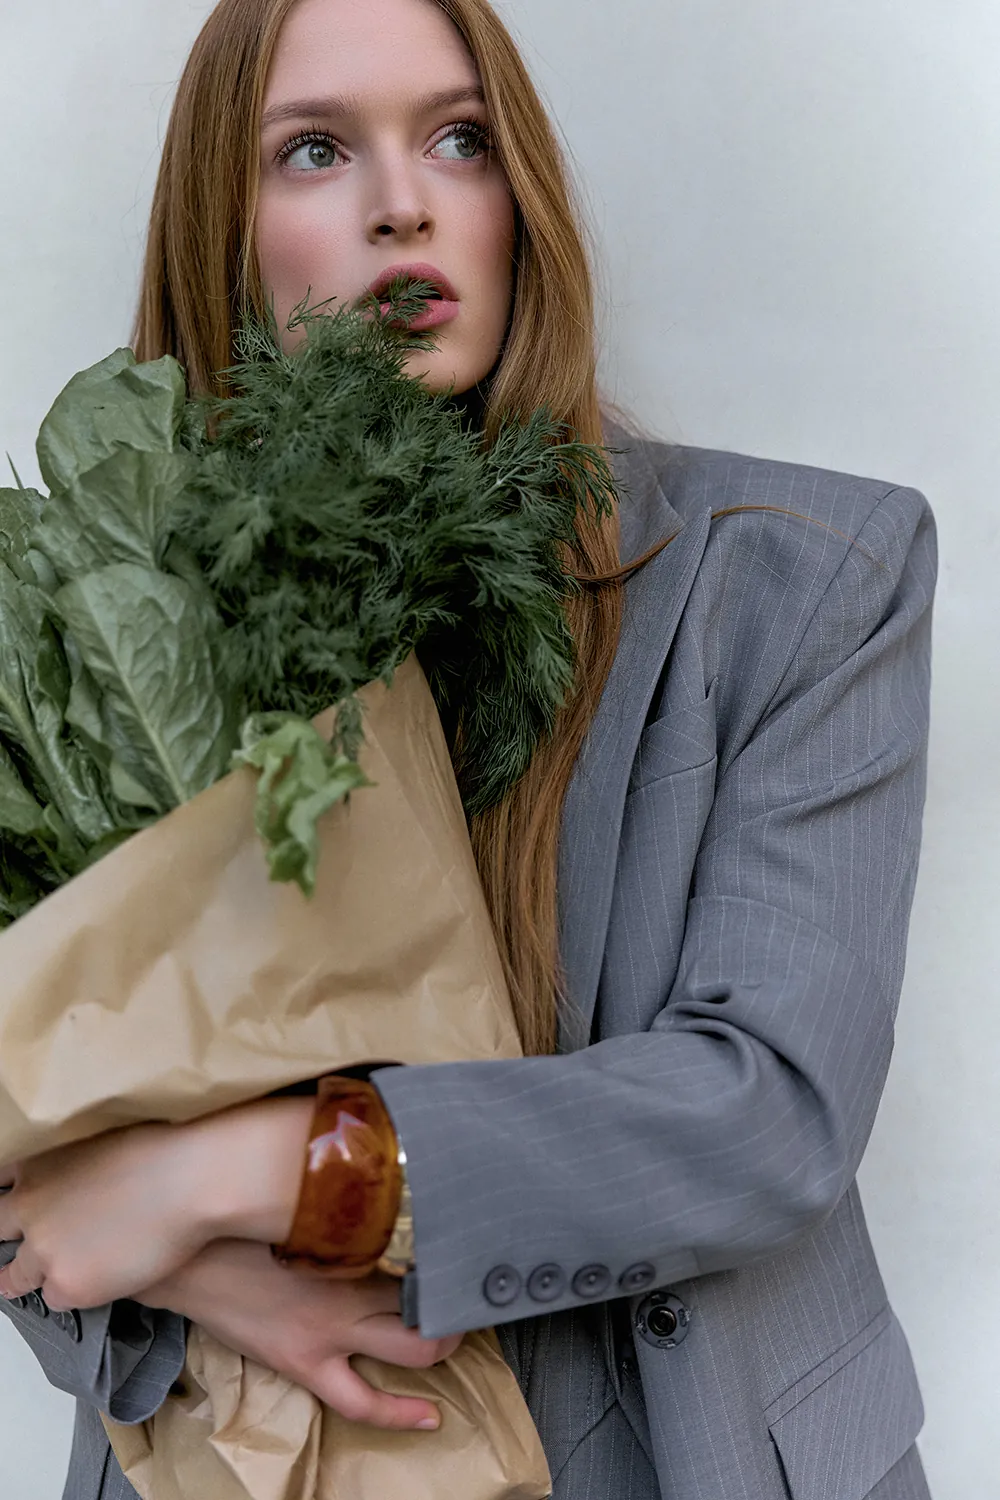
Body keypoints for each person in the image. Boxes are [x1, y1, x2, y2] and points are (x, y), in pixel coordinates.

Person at [0, 0, 938, 1497]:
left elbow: (769, 1113)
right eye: (314, 151)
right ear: (220, 235)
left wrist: (238, 1179)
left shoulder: (806, 582)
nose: (402, 204)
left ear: (523, 198)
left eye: (460, 138)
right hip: (240, 1452)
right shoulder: (107, 631)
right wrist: (201, 1283)